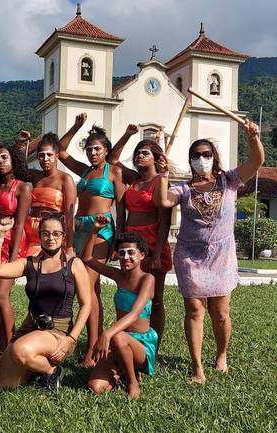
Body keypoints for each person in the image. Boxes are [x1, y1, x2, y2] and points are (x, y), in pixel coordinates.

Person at [155, 119, 264, 384]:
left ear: (214, 157)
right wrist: (163, 174)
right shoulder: (183, 188)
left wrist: (252, 137)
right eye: (195, 155)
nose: (201, 159)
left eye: (206, 154)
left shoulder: (229, 181)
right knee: (194, 308)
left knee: (221, 312)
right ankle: (197, 367)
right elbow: (163, 201)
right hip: (189, 256)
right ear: (190, 160)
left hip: (221, 256)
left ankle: (221, 355)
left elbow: (256, 161)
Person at [0, 215, 91, 390]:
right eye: (46, 233)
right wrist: (0, 234)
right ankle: (37, 367)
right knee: (3, 384)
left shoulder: (74, 264)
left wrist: (71, 339)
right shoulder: (29, 263)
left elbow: (86, 304)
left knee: (20, 350)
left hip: (59, 331)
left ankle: (53, 371)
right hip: (31, 326)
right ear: (40, 236)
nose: (51, 238)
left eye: (56, 233)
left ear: (63, 236)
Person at [57, 112, 126, 367]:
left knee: (86, 286)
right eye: (88, 149)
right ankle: (93, 343)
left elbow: (121, 207)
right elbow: (61, 150)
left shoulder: (114, 172)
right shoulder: (84, 171)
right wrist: (77, 125)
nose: (92, 153)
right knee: (90, 290)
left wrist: (119, 239)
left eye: (97, 149)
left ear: (106, 150)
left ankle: (91, 349)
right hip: (79, 228)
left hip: (101, 229)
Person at [108, 126, 172, 351]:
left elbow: (165, 221)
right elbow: (113, 159)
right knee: (130, 293)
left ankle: (154, 346)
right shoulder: (134, 179)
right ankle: (131, 341)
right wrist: (128, 134)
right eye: (137, 153)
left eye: (145, 153)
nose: (139, 156)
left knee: (156, 300)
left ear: (156, 158)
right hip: (130, 242)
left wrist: (157, 253)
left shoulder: (161, 182)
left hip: (153, 242)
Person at [81, 217, 156, 400]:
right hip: (118, 341)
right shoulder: (118, 275)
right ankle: (120, 370)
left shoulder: (147, 279)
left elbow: (135, 314)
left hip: (141, 344)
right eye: (122, 253)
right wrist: (95, 230)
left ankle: (132, 381)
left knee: (119, 337)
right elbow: (87, 258)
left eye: (131, 252)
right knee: (95, 387)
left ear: (142, 255)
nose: (126, 257)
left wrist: (106, 334)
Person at [0, 142, 31, 351]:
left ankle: (11, 345)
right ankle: (1, 344)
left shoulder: (22, 187)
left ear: (14, 159)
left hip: (12, 240)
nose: (0, 161)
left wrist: (14, 258)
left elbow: (20, 224)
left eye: (4, 157)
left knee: (1, 294)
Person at [24, 133, 77, 257]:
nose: (45, 158)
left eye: (49, 155)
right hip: (30, 232)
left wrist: (70, 247)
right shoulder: (34, 175)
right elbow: (16, 167)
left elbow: (69, 216)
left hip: (52, 233)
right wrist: (21, 143)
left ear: (57, 156)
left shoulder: (65, 179)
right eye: (41, 155)